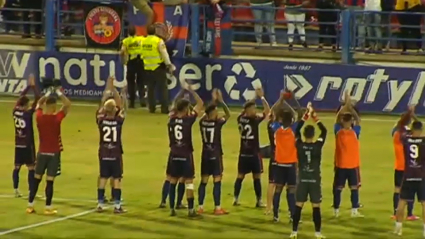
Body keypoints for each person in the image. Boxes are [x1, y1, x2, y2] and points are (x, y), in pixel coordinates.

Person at [26, 86, 71, 215]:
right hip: (53, 153)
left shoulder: (39, 117)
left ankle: (30, 205)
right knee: (50, 180)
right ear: (54, 107)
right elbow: (67, 104)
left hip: (41, 153)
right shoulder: (57, 119)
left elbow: (39, 103)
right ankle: (48, 207)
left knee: (36, 179)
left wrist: (46, 94)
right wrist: (58, 92)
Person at [290, 103, 327, 239]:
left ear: (304, 134)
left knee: (298, 205)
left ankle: (294, 232)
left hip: (302, 179)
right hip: (314, 180)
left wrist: (306, 115)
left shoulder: (299, 144)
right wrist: (315, 117)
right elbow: (324, 131)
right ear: (313, 135)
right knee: (316, 206)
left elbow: (296, 130)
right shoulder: (318, 145)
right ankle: (317, 233)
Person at [167, 83, 203, 217]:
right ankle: (191, 210)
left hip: (174, 154)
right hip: (186, 154)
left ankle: (172, 209)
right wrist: (192, 91)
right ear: (186, 108)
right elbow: (200, 103)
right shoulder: (188, 119)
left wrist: (181, 91)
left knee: (173, 180)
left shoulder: (171, 119)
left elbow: (174, 104)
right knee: (189, 182)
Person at [233, 88, 270, 207]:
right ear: (249, 111)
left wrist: (254, 99)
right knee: (257, 177)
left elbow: (245, 109)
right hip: (254, 153)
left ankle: (235, 198)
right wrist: (262, 97)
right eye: (253, 109)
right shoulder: (254, 120)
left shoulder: (240, 118)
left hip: (243, 153)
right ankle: (259, 201)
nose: (255, 110)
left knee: (240, 176)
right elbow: (267, 111)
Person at [96, 76, 126, 214]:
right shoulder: (118, 120)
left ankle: (100, 204)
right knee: (117, 179)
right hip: (115, 153)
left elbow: (102, 105)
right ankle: (117, 206)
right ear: (115, 109)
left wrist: (108, 87)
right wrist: (114, 89)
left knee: (103, 177)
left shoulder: (101, 120)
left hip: (103, 152)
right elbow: (120, 104)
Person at [197, 89, 230, 215]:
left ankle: (200, 207)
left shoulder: (202, 122)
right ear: (212, 113)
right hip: (215, 155)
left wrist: (213, 102)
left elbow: (206, 113)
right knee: (217, 179)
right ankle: (217, 208)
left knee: (204, 181)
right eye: (216, 111)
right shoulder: (217, 123)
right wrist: (221, 102)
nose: (218, 113)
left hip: (205, 155)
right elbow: (228, 114)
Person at [393, 110, 425, 237]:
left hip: (408, 175)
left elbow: (399, 125)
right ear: (421, 130)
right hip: (421, 176)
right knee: (424, 203)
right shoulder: (424, 141)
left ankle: (398, 229)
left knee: (402, 202)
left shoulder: (406, 139)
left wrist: (409, 114)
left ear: (411, 129)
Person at [269, 93, 300, 222]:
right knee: (291, 191)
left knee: (278, 190)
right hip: (291, 164)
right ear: (291, 120)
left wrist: (280, 99)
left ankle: (275, 215)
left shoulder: (276, 128)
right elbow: (300, 113)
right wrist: (292, 99)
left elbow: (272, 113)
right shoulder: (294, 129)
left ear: (281, 119)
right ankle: (292, 216)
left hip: (279, 164)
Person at [332, 91, 363, 218]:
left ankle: (337, 210)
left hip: (342, 165)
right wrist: (348, 105)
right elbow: (358, 119)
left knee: (340, 188)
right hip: (351, 165)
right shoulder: (354, 131)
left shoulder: (338, 131)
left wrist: (346, 105)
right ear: (350, 121)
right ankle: (353, 210)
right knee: (353, 188)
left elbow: (338, 118)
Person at [12, 74, 39, 197]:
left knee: (17, 167)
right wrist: (33, 87)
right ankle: (30, 191)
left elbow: (21, 97)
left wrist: (28, 86)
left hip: (18, 143)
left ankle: (16, 190)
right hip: (28, 144)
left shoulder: (15, 111)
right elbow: (38, 98)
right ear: (26, 104)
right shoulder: (28, 113)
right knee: (31, 168)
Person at [392, 110, 420, 220]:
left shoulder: (396, 133)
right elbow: (418, 127)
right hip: (409, 166)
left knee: (397, 190)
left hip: (399, 166)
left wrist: (409, 115)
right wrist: (413, 115)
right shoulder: (409, 134)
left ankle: (395, 213)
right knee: (410, 190)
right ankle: (410, 214)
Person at [141, 25, 175, 114]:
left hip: (147, 67)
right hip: (158, 67)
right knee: (162, 88)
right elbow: (164, 54)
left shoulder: (143, 41)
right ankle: (164, 108)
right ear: (155, 31)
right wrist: (169, 65)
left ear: (147, 31)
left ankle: (151, 108)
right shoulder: (158, 41)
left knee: (150, 89)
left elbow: (141, 53)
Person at [120, 25, 145, 108]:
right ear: (136, 32)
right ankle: (142, 100)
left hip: (131, 62)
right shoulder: (141, 39)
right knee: (141, 81)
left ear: (128, 33)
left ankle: (132, 102)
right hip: (140, 61)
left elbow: (122, 51)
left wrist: (122, 60)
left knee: (131, 82)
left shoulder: (126, 41)